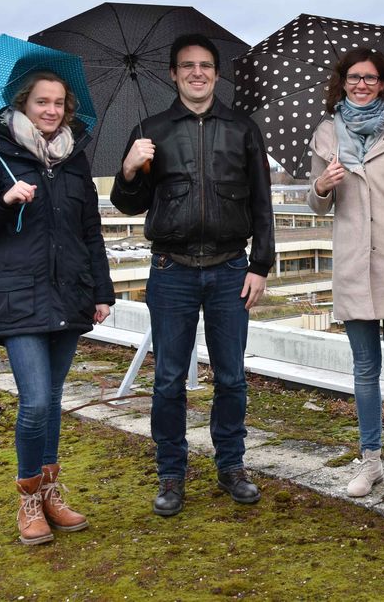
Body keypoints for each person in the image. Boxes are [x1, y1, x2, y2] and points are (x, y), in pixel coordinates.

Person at [111, 33, 275, 517]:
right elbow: (129, 203)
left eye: (205, 66)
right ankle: (171, 473)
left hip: (229, 268)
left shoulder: (243, 128)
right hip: (171, 269)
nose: (197, 73)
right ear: (173, 73)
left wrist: (260, 265)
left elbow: (262, 201)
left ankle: (231, 467)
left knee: (231, 378)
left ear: (217, 74)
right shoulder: (151, 129)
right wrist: (129, 169)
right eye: (188, 66)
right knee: (167, 379)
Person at [0, 69, 114, 546]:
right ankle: (28, 497)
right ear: (24, 105)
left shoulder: (74, 161)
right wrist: (5, 200)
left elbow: (90, 231)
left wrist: (102, 291)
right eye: (42, 102)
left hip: (70, 294)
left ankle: (50, 494)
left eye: (59, 103)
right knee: (36, 401)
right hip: (19, 297)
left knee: (54, 402)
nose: (51, 110)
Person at [308, 48, 384, 502]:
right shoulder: (326, 134)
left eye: (371, 78)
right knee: (364, 369)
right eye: (354, 77)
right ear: (342, 82)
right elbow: (317, 203)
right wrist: (323, 185)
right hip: (353, 265)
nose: (361, 84)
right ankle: (370, 460)